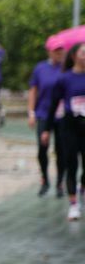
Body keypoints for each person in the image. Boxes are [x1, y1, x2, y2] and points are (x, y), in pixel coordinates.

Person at [44, 43, 85, 221]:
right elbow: (53, 106)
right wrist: (46, 129)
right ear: (75, 56)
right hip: (69, 126)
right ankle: (74, 204)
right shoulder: (64, 79)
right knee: (71, 164)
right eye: (84, 52)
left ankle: (82, 188)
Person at [29, 43, 66, 197]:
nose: (59, 54)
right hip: (44, 113)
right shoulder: (40, 68)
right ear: (49, 51)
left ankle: (59, 182)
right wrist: (31, 112)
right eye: (56, 51)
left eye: (61, 51)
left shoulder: (66, 68)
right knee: (42, 148)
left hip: (61, 115)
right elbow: (33, 90)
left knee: (61, 150)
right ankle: (45, 178)